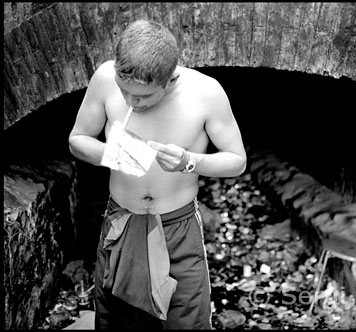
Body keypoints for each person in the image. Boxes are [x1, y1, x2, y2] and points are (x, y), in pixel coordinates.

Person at [68, 19, 246, 330]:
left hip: (178, 226)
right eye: (125, 92)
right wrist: (111, 153)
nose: (131, 103)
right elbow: (77, 140)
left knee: (187, 321)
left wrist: (189, 161)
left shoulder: (206, 93)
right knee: (118, 321)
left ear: (170, 80)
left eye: (144, 97)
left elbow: (237, 161)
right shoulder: (104, 78)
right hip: (123, 222)